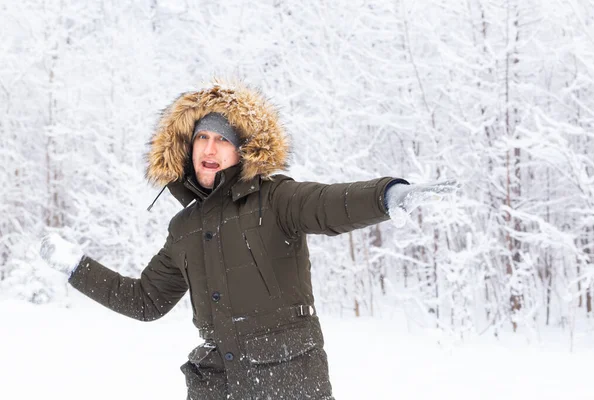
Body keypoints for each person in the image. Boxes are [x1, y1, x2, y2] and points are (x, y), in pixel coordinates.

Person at [39, 80, 458, 399]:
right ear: (186, 148)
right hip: (216, 384)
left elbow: (329, 203)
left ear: (244, 151)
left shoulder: (275, 199)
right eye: (202, 137)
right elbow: (145, 301)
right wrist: (78, 268)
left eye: (223, 139)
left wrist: (385, 195)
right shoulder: (183, 229)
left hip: (288, 381)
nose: (210, 146)